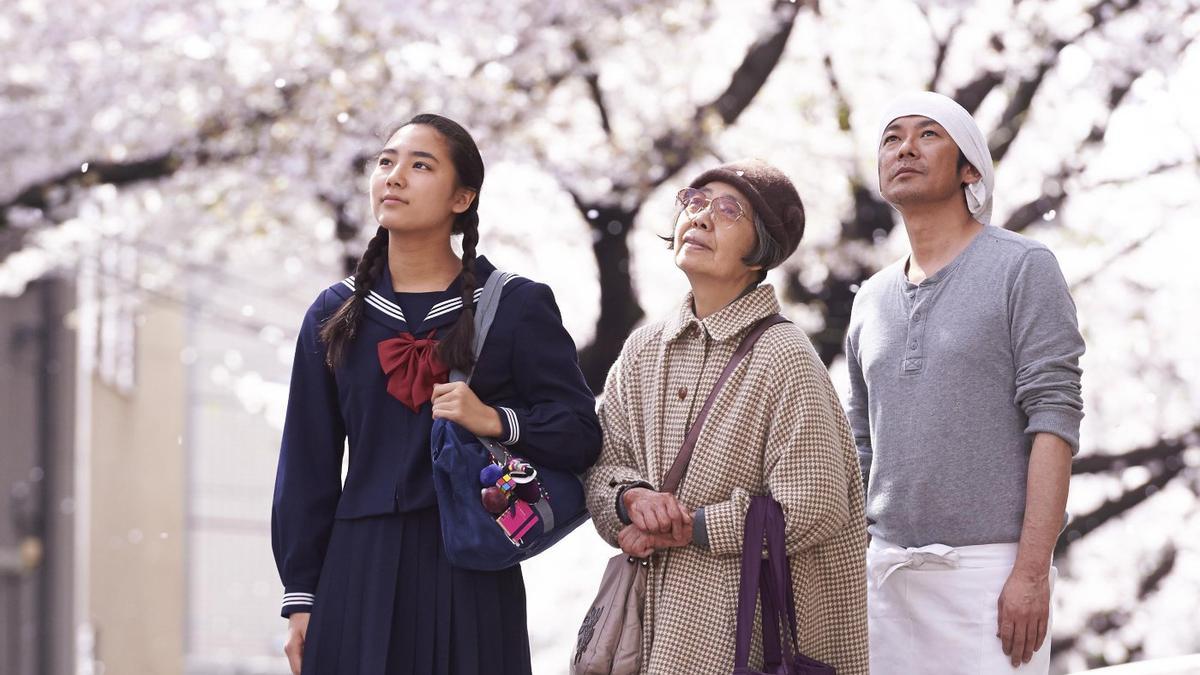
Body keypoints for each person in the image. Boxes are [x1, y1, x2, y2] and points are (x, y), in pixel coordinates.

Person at [271, 113, 601, 675]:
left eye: (420, 165)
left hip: (471, 565)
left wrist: (496, 420)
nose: (394, 176)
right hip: (355, 570)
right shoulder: (335, 313)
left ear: (462, 197)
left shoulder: (516, 305)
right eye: (386, 162)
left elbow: (579, 432)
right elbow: (307, 462)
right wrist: (302, 596)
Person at [584, 160, 869, 674]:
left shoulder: (785, 352)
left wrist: (695, 527)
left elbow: (817, 502)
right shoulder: (644, 347)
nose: (700, 217)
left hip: (744, 634)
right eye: (693, 202)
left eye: (727, 210)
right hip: (645, 632)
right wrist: (631, 501)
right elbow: (605, 463)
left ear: (762, 247)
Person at [845, 91, 1085, 673]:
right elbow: (860, 443)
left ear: (969, 167)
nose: (905, 147)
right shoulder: (871, 298)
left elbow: (1054, 419)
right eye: (891, 137)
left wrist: (1030, 572)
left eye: (928, 135)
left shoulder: (1023, 267)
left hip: (993, 576)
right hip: (886, 578)